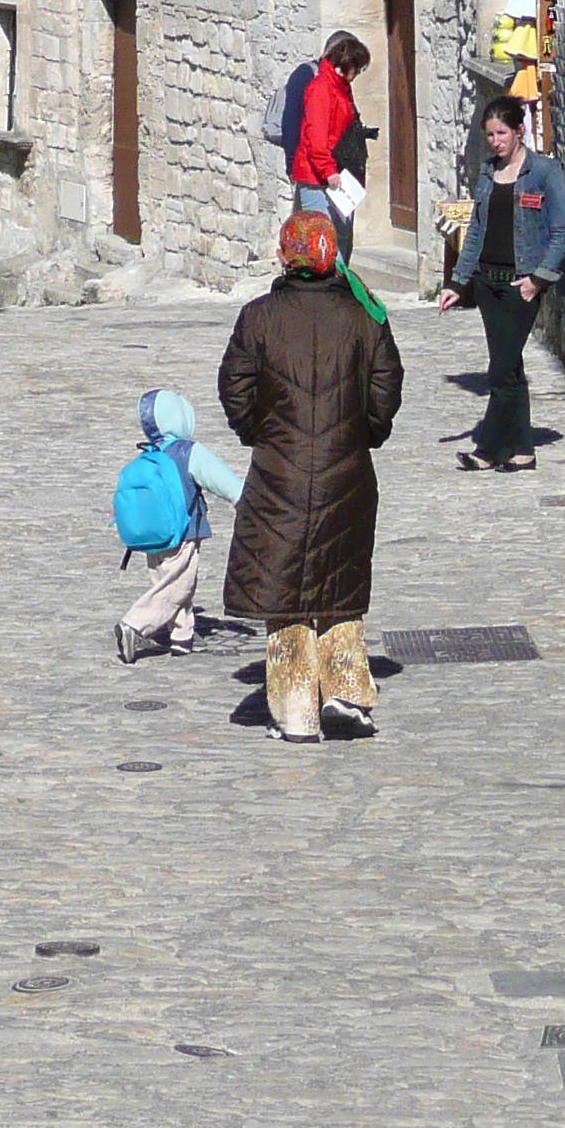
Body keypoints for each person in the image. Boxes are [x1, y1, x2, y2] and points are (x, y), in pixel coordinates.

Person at [219, 206, 404, 742]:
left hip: (279, 471)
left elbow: (234, 387)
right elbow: (387, 383)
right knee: (339, 585)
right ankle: (346, 690)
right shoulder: (364, 316)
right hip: (346, 473)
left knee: (285, 593)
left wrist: (261, 433)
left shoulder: (258, 318)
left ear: (285, 256)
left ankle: (297, 707)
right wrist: (365, 431)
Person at [438, 96, 565, 471]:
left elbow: (562, 232)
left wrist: (538, 280)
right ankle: (523, 451)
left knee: (500, 369)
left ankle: (487, 451)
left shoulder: (545, 172)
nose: (495, 141)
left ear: (519, 130)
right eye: (490, 135)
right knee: (509, 368)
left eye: (501, 133)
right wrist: (458, 282)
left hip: (521, 285)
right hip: (487, 285)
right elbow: (477, 230)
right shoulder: (486, 173)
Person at [114, 388, 244, 664]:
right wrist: (242, 497)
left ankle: (182, 637)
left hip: (155, 536)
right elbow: (218, 477)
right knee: (178, 587)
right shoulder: (188, 452)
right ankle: (134, 625)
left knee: (169, 583)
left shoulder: (149, 454)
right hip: (183, 532)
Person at [289, 28, 372, 264]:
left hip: (338, 175)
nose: (357, 74)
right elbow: (316, 137)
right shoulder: (321, 88)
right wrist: (329, 171)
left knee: (342, 242)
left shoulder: (340, 88)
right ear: (348, 64)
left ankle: (338, 292)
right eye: (358, 67)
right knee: (322, 243)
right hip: (318, 179)